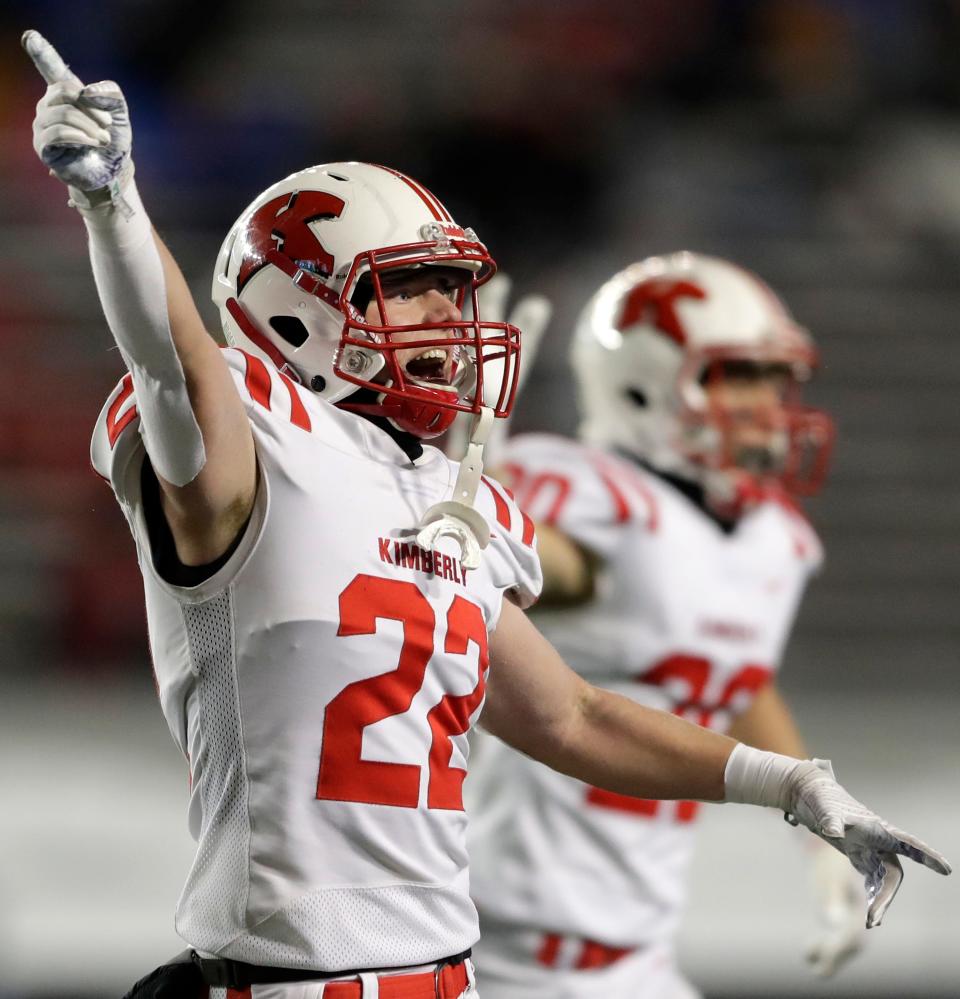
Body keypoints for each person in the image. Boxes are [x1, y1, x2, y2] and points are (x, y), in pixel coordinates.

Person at [22, 29, 950, 999]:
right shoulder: (253, 453)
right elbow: (171, 364)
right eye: (406, 289)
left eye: (447, 289)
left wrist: (792, 787)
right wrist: (112, 202)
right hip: (289, 983)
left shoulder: (441, 495)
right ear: (293, 312)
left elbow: (574, 715)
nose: (446, 318)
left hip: (452, 980)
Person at [466, 253, 874, 998]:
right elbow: (557, 568)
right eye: (737, 375)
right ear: (640, 386)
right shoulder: (597, 500)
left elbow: (736, 674)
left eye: (772, 377)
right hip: (497, 963)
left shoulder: (770, 538)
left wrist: (823, 837)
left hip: (640, 961)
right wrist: (483, 514)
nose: (768, 402)